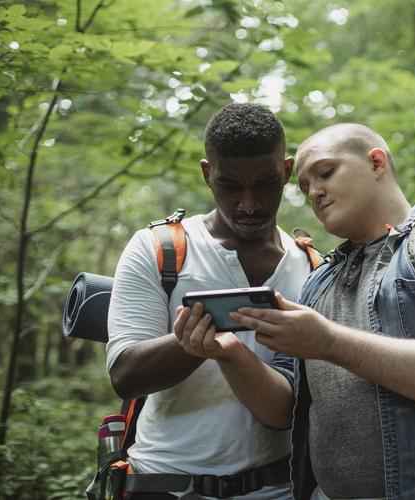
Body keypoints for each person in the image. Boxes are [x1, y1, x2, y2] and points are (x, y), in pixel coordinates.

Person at [182, 123, 415, 500]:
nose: (315, 192)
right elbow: (283, 410)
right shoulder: (318, 281)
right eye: (305, 186)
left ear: (376, 163)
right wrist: (229, 355)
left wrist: (329, 341)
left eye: (325, 173)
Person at [106, 103, 314, 499]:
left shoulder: (311, 266)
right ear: (207, 174)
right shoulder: (159, 250)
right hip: (162, 485)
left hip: (275, 489)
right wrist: (193, 346)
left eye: (266, 184)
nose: (248, 204)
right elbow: (125, 375)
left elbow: (297, 402)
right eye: (230, 186)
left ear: (286, 172)